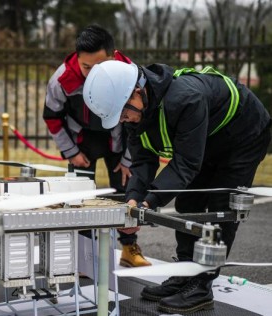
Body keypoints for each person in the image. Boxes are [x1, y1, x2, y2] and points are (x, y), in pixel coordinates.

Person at [82, 60, 271, 314]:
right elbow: (142, 161)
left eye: (124, 113)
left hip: (244, 135)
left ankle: (201, 286)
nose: (124, 120)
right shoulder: (139, 113)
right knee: (188, 202)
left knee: (218, 207)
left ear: (137, 92)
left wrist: (150, 201)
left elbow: (185, 165)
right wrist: (133, 200)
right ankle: (185, 272)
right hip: (210, 137)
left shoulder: (185, 99)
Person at [43, 25, 151, 268]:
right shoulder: (61, 79)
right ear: (77, 59)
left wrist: (128, 159)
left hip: (119, 140)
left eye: (100, 67)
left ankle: (129, 248)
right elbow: (51, 117)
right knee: (79, 200)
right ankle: (84, 259)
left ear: (114, 56)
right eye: (87, 67)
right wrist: (71, 153)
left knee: (126, 194)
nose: (93, 74)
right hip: (82, 143)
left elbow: (139, 122)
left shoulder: (130, 74)